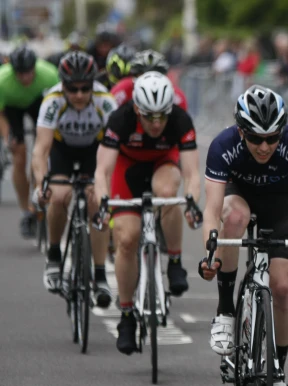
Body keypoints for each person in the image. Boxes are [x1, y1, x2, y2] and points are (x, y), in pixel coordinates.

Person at [197, 86, 288, 386]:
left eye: (272, 138)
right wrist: (210, 254)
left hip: (278, 209)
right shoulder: (223, 145)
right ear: (240, 131)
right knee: (234, 218)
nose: (264, 147)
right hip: (239, 198)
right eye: (255, 138)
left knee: (282, 289)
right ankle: (225, 312)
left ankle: (277, 374)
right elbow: (211, 210)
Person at [92, 72, 202, 355]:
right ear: (137, 109)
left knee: (168, 193)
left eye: (161, 116)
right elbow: (102, 171)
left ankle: (175, 260)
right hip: (126, 168)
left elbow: (192, 174)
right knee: (127, 238)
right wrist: (104, 202)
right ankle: (127, 316)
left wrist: (191, 201)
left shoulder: (180, 120)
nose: (156, 124)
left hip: (163, 164)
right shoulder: (120, 119)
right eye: (149, 116)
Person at [32, 51, 116, 306]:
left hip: (95, 151)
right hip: (62, 151)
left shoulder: (105, 101)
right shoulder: (53, 100)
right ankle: (55, 255)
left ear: (93, 84)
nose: (79, 94)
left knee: (96, 205)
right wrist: (40, 184)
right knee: (59, 196)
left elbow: (115, 150)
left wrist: (106, 187)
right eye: (72, 88)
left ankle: (100, 274)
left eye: (84, 88)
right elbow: (40, 149)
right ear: (63, 85)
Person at [0, 46, 59, 238]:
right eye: (20, 74)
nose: (25, 78)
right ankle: (26, 210)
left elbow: (58, 106)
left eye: (28, 73)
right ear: (12, 70)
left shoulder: (49, 74)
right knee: (19, 154)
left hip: (38, 104)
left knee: (42, 150)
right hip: (12, 108)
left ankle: (38, 190)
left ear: (35, 67)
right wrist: (8, 136)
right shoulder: (2, 80)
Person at [111, 50, 188, 109]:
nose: (150, 82)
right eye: (144, 76)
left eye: (155, 77)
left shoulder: (177, 96)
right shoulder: (123, 88)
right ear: (135, 76)